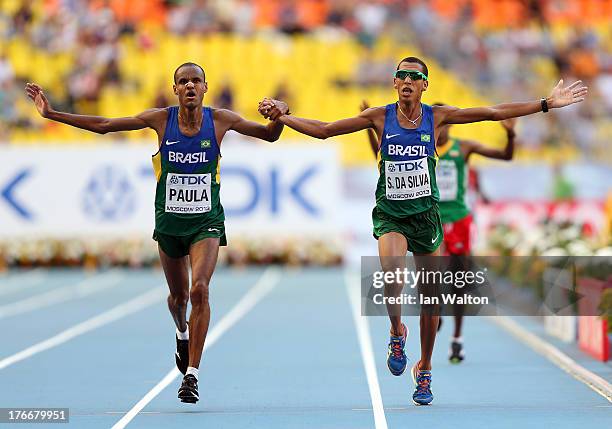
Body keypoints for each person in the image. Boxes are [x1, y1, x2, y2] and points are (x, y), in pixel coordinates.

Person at [258, 56, 587, 405]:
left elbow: (491, 112)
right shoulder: (378, 118)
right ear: (394, 83)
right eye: (401, 75)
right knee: (392, 277)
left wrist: (546, 104)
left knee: (432, 301)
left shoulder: (437, 116)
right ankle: (397, 332)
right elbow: (325, 130)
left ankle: (425, 369)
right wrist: (284, 117)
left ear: (425, 85)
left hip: (427, 217)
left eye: (414, 76)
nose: (407, 81)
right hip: (392, 215)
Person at [25, 62, 288, 404]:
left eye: (196, 81)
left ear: (205, 88)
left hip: (206, 223)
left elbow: (269, 134)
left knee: (200, 290)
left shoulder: (221, 119)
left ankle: (191, 376)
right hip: (169, 224)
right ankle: (181, 331)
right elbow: (105, 125)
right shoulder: (161, 120)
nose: (190, 86)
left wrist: (281, 114)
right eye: (183, 81)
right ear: (175, 89)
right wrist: (53, 114)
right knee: (178, 299)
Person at [362, 100, 518, 364]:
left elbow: (505, 155)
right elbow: (381, 156)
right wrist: (369, 126)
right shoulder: (417, 143)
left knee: (458, 281)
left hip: (456, 219)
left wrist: (511, 133)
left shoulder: (463, 148)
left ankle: (456, 338)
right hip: (426, 216)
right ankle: (426, 319)